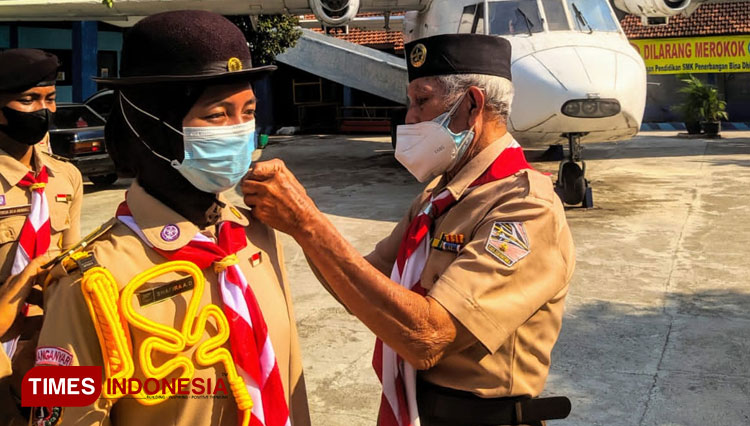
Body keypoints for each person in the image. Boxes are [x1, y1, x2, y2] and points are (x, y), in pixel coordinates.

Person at [243, 34, 575, 426]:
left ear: (472, 105)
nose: (410, 118)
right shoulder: (439, 197)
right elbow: (358, 288)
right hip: (418, 410)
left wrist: (307, 222)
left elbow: (428, 337)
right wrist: (298, 227)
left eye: (422, 101)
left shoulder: (523, 207)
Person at [34, 11, 309, 426]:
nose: (239, 131)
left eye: (248, 112)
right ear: (154, 128)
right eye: (217, 115)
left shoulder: (253, 236)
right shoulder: (89, 282)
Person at [0, 48, 82, 425]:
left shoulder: (64, 177)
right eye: (28, 99)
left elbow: (72, 257)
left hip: (52, 345)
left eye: (50, 98)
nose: (43, 110)